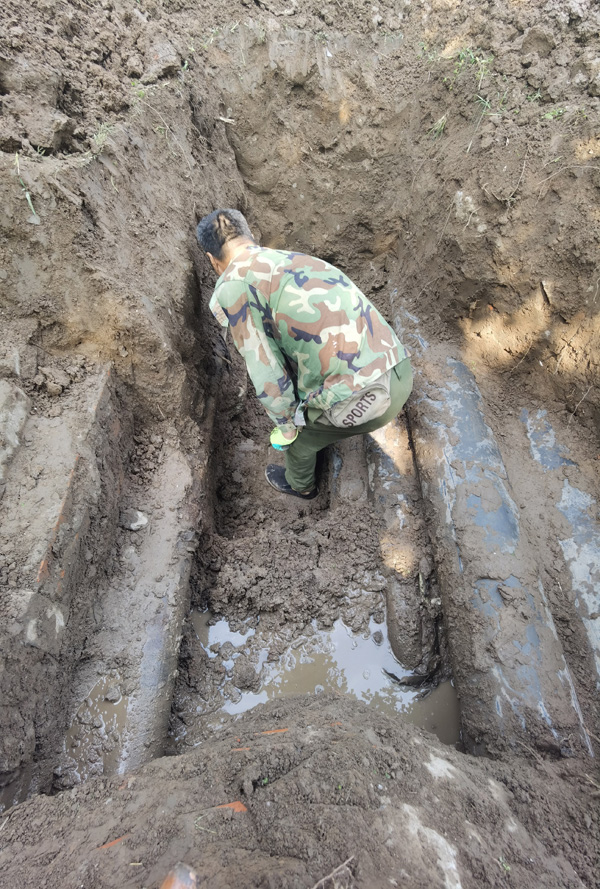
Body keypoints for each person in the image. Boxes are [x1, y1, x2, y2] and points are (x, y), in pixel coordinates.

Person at [196, 208, 412, 500]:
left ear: (212, 259)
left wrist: (287, 426)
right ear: (250, 236)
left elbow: (266, 369)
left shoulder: (233, 286)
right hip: (398, 368)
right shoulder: (290, 259)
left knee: (299, 444)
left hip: (371, 398)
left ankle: (302, 487)